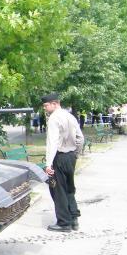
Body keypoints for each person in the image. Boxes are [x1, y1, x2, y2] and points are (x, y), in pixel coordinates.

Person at [42, 93, 84, 232]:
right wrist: (75, 154)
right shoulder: (69, 116)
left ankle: (64, 223)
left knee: (58, 190)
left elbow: (52, 142)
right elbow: (80, 138)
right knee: (69, 188)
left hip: (59, 157)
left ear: (54, 104)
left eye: (46, 105)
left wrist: (48, 164)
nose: (44, 108)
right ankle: (73, 219)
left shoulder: (54, 118)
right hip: (70, 156)